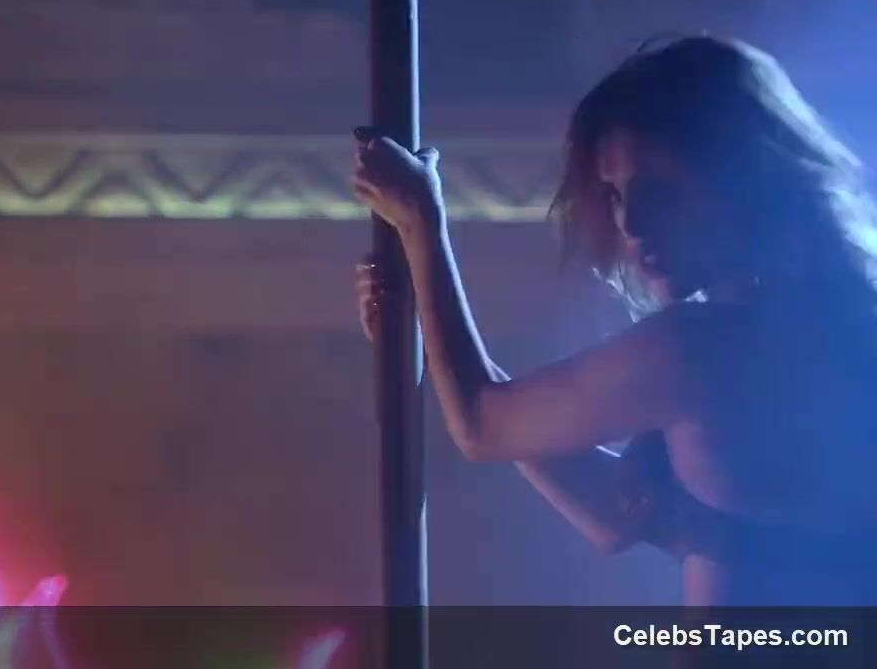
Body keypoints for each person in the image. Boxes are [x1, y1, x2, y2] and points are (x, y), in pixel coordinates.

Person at [352, 35, 877, 606]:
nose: (632, 223)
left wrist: (419, 222)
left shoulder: (701, 349)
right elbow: (613, 516)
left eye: (660, 190)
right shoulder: (834, 329)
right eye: (615, 195)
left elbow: (482, 424)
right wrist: (430, 338)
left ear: (740, 177)